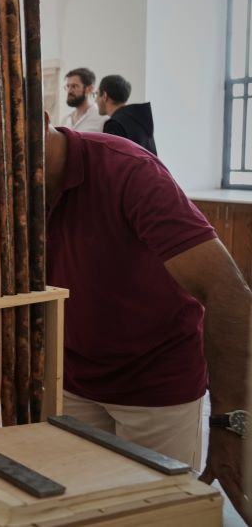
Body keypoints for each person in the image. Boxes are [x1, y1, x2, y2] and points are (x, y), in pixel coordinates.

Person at [45, 123, 250, 522]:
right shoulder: (0, 186)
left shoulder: (128, 170)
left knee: (157, 515)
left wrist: (228, 424)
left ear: (41, 117)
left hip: (158, 385)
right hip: (73, 378)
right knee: (84, 512)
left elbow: (230, 294)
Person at [97, 74, 157, 155]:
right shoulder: (140, 119)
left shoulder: (114, 125)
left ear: (105, 96)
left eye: (96, 94)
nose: (95, 101)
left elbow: (112, 163)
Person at [61, 67, 106, 132]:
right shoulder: (65, 120)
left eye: (74, 86)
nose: (69, 91)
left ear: (90, 89)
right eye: (68, 86)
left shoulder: (102, 119)